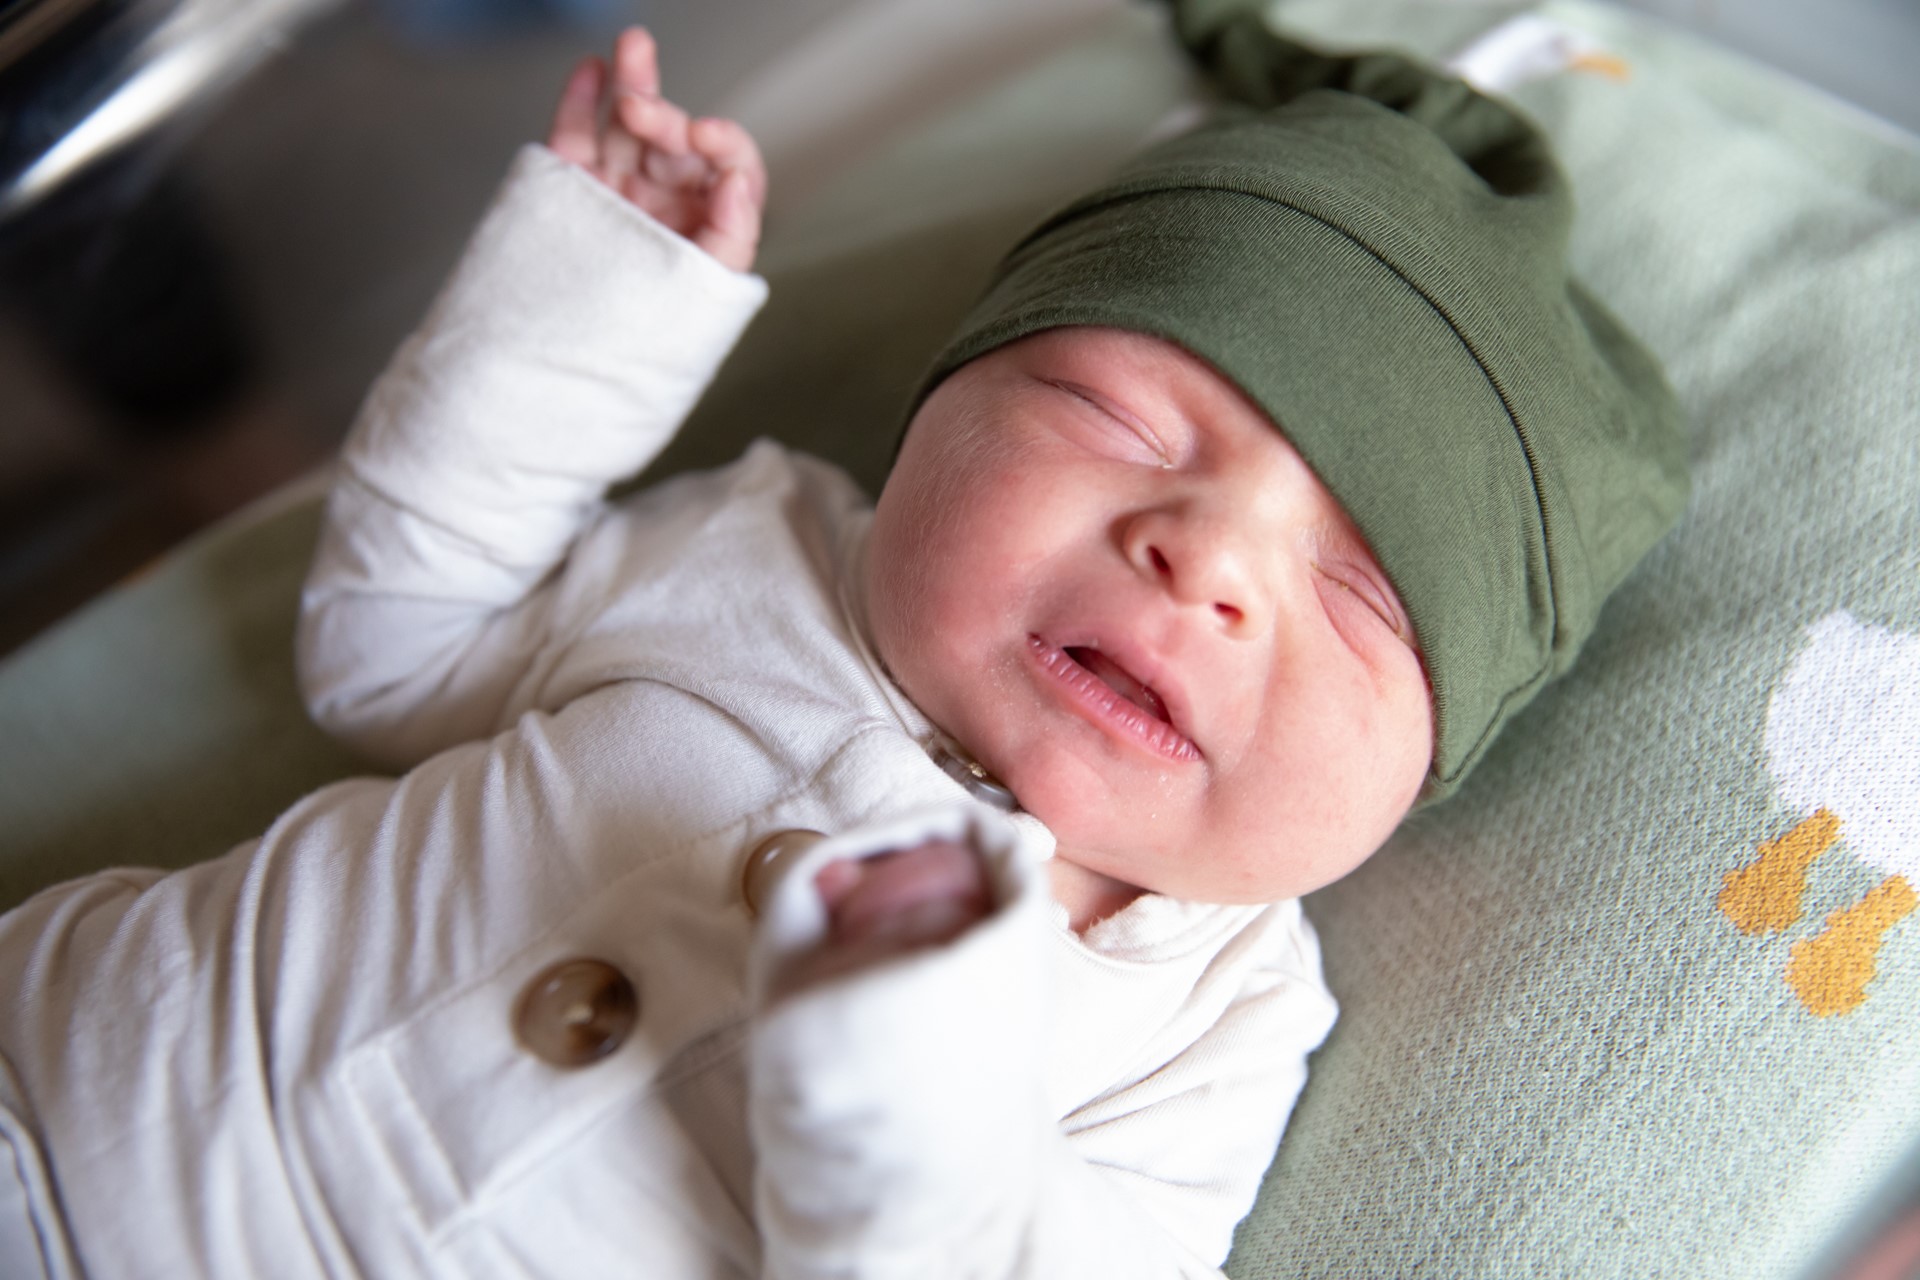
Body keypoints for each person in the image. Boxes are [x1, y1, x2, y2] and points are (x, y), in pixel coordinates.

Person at [0, 9, 1688, 1279]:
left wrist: (911, 1075)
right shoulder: (763, 553)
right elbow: (390, 656)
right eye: (1118, 417)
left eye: (1368, 593)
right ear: (933, 414)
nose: (1210, 561)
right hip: (66, 1082)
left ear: (1434, 763)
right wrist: (581, 313)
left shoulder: (1215, 1025)